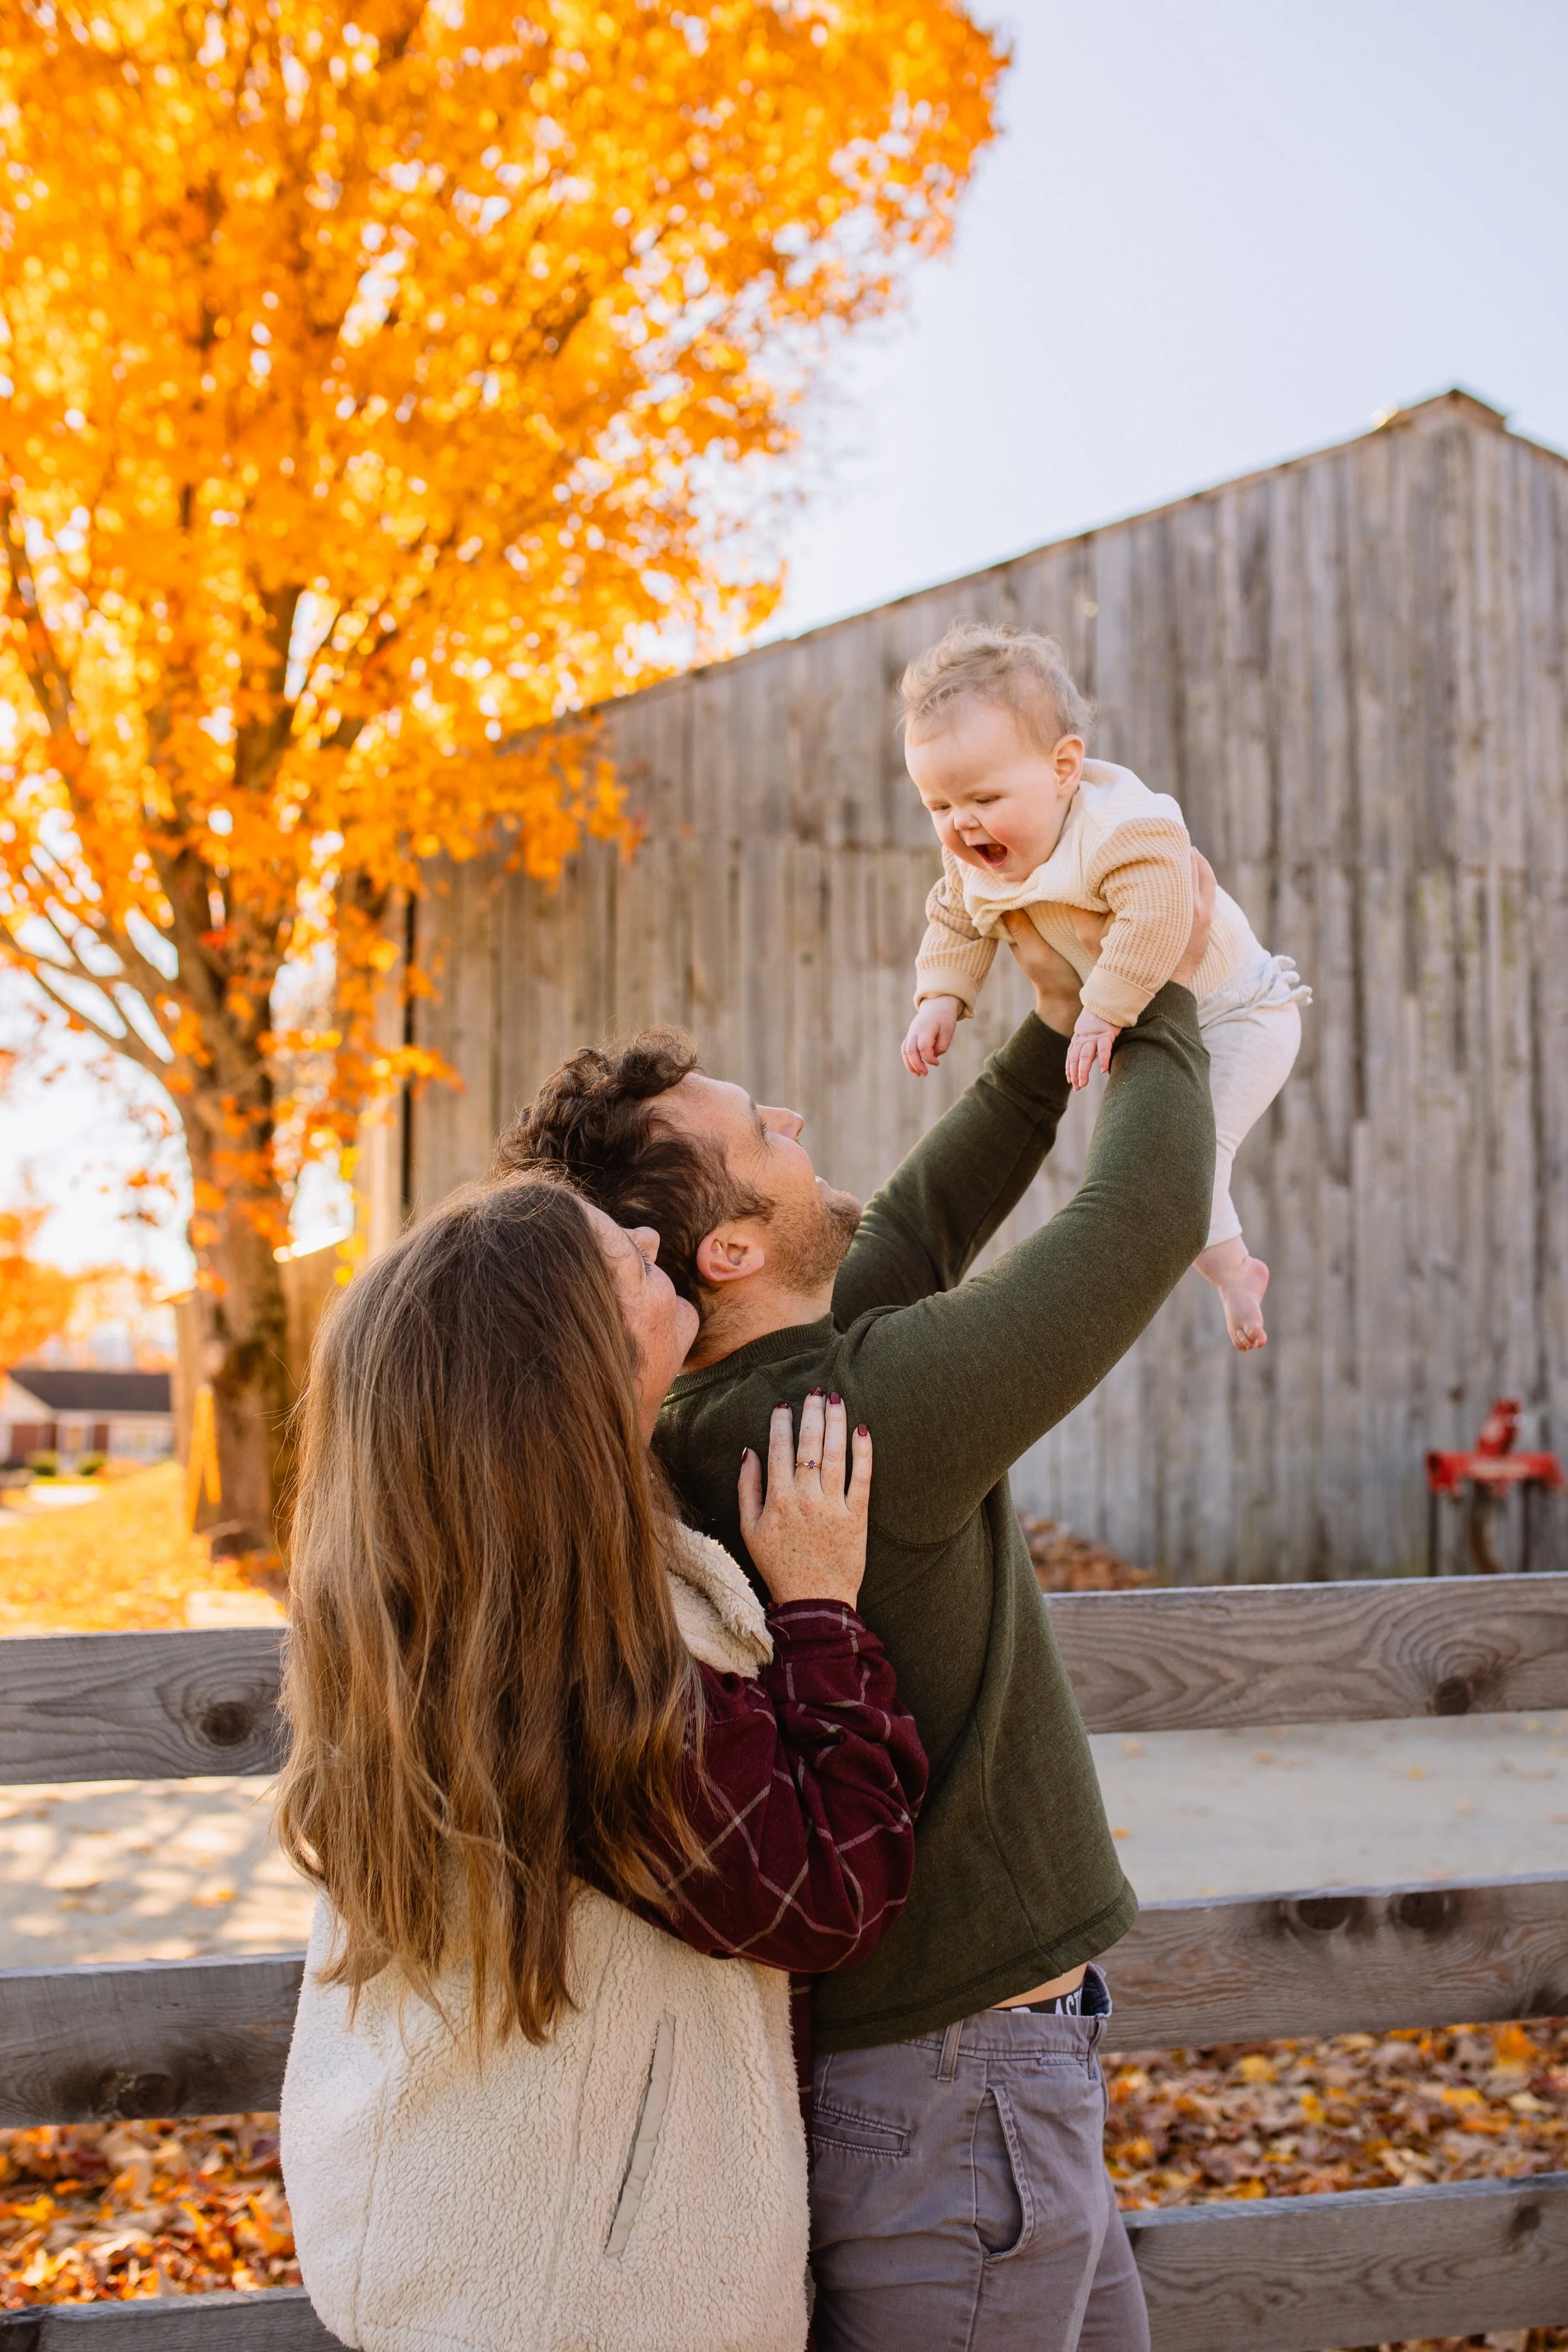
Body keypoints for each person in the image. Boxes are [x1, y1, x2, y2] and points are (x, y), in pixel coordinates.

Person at [492, 871, 1216, 2352]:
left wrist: (1055, 1026)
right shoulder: (854, 1407)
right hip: (960, 2100)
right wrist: (1164, 983)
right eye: (764, 1134)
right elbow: (1143, 1219)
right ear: (729, 1253)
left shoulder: (749, 1398)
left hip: (978, 2079)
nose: (799, 1127)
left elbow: (930, 1209)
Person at [273, 1172, 926, 2352]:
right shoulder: (587, 1674)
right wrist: (823, 1606)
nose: (646, 1236)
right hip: (590, 2301)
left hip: (438, 2247)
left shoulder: (431, 1616)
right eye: (619, 1256)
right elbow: (831, 1893)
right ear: (563, 1370)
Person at [900, 621, 1309, 1352]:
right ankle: (1232, 1269)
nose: (962, 825)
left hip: (1240, 1010)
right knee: (1157, 1171)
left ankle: (1233, 1276)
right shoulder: (977, 863)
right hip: (1143, 1022)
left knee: (1193, 1164)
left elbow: (1161, 916)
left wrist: (1102, 1010)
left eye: (984, 799)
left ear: (1063, 770)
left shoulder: (1122, 828)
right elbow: (954, 919)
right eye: (938, 807)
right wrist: (940, 997)